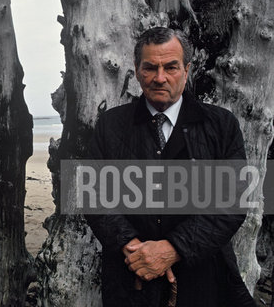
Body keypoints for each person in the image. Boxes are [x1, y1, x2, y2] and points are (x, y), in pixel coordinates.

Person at [86, 27, 256, 306]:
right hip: (132, 277)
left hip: (205, 275)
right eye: (150, 67)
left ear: (187, 70)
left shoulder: (222, 125)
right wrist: (138, 252)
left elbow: (233, 204)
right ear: (137, 71)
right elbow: (93, 197)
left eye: (171, 67)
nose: (160, 77)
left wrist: (173, 249)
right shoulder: (110, 125)